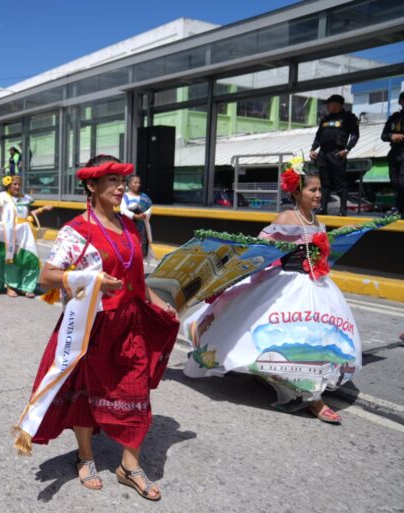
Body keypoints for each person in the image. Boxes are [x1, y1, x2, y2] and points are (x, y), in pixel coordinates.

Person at [12, 155, 179, 499]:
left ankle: (129, 466)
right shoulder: (77, 231)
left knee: (137, 392)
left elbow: (135, 277)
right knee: (87, 396)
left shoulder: (130, 225)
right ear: (91, 186)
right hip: (93, 326)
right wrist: (92, 281)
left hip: (130, 324)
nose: (121, 188)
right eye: (112, 182)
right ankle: (85, 456)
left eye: (123, 181)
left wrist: (159, 303)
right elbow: (47, 277)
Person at [183, 164, 361, 424]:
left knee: (317, 339)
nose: (318, 194)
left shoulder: (316, 221)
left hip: (317, 287)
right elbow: (259, 251)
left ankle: (310, 388)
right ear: (297, 192)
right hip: (288, 286)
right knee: (286, 338)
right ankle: (314, 400)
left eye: (320, 189)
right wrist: (231, 276)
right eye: (313, 189)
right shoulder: (286, 218)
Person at [0, 175, 51, 297]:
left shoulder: (25, 198)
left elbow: (28, 214)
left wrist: (43, 209)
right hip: (9, 233)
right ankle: (10, 286)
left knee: (28, 258)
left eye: (19, 184)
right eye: (14, 184)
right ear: (8, 185)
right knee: (11, 260)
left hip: (25, 233)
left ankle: (26, 286)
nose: (17, 187)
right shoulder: (1, 197)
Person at [309, 94, 359, 216]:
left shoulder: (349, 117)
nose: (327, 106)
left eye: (328, 104)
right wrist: (312, 149)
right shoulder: (325, 119)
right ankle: (323, 208)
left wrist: (347, 149)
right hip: (323, 153)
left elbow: (355, 135)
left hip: (337, 152)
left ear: (336, 104)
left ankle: (342, 210)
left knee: (340, 182)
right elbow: (318, 137)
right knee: (324, 183)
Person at [120, 175, 154, 261]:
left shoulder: (144, 197)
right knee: (129, 245)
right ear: (129, 184)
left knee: (141, 246)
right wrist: (134, 216)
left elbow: (150, 208)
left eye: (139, 182)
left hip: (141, 226)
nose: (138, 184)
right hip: (128, 226)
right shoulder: (125, 196)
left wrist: (144, 215)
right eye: (135, 182)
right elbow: (123, 210)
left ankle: (139, 267)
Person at [381, 90, 404, 215]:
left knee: (402, 181)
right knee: (395, 181)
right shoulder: (394, 118)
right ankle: (399, 207)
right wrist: (392, 136)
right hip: (395, 152)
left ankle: (400, 208)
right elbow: (383, 135)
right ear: (400, 102)